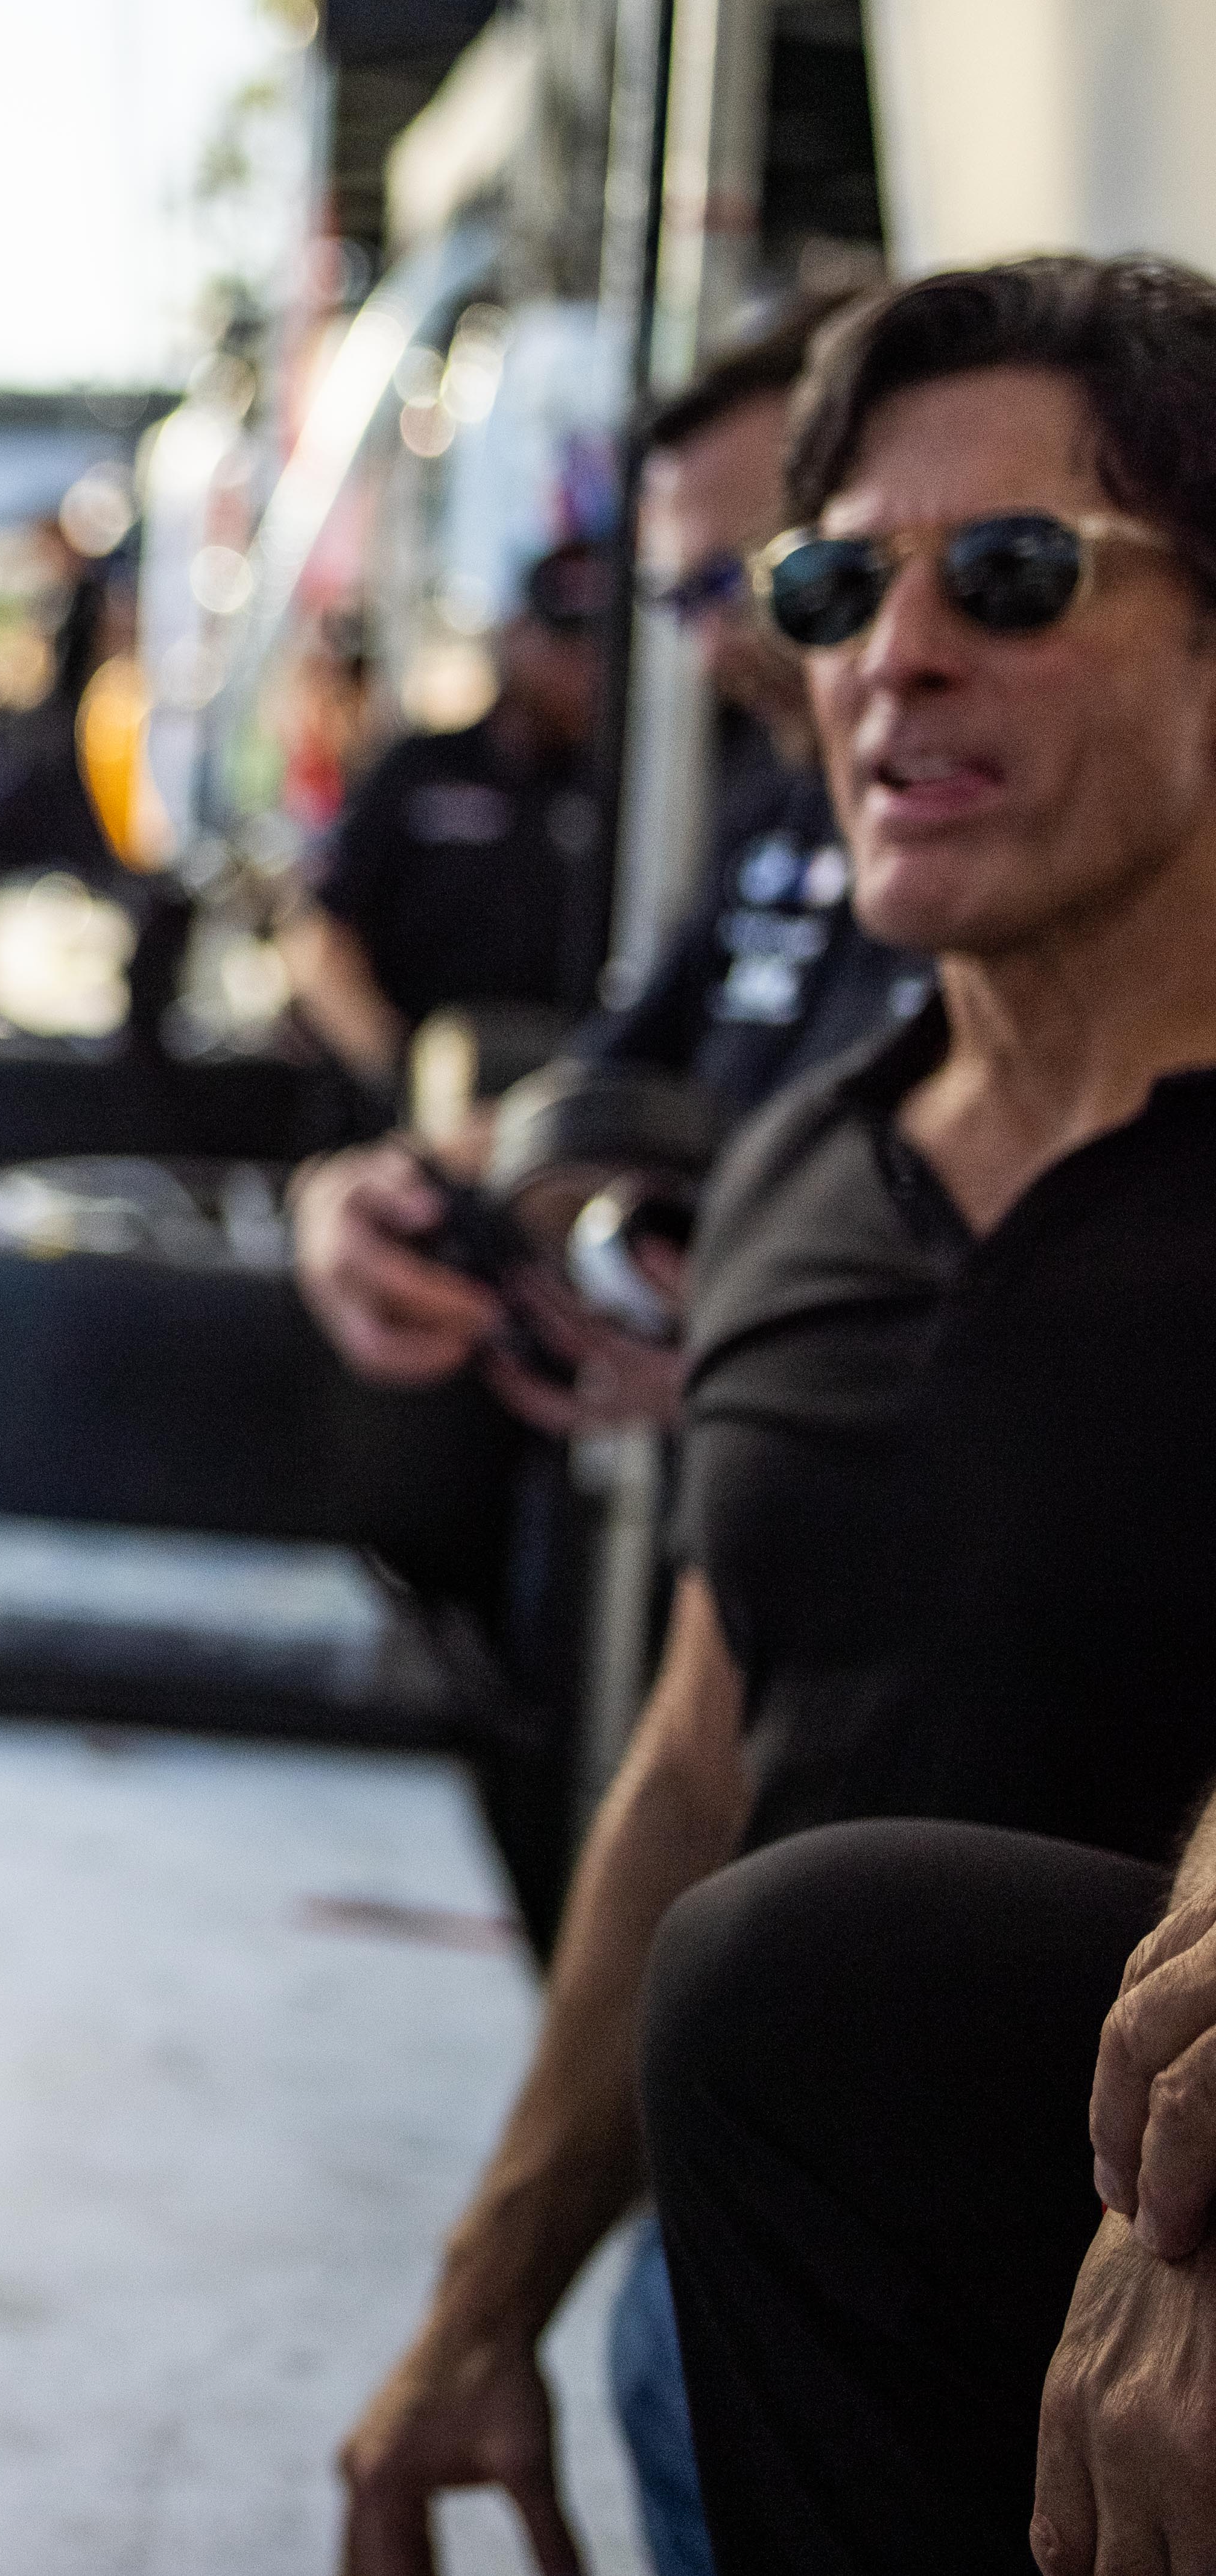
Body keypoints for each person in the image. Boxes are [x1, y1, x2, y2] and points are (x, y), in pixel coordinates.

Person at [332, 255, 1216, 2576]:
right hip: (752, 2346)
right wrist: (483, 2301)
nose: (885, 658)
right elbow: (705, 1757)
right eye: (829, 590)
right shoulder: (805, 1158)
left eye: (1007, 574)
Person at [297, 317, 926, 1435]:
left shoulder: (991, 868)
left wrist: (778, 1381)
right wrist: (374, 1193)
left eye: (761, 579)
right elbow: (603, 1098)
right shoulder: (775, 808)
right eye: (689, 598)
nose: (719, 646)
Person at [288, 542, 614, 1096]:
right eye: (563, 645)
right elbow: (321, 939)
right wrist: (397, 1075)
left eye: (596, 650)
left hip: (556, 1083)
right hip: (417, 1079)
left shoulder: (617, 789)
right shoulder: (420, 768)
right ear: (517, 636)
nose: (580, 673)